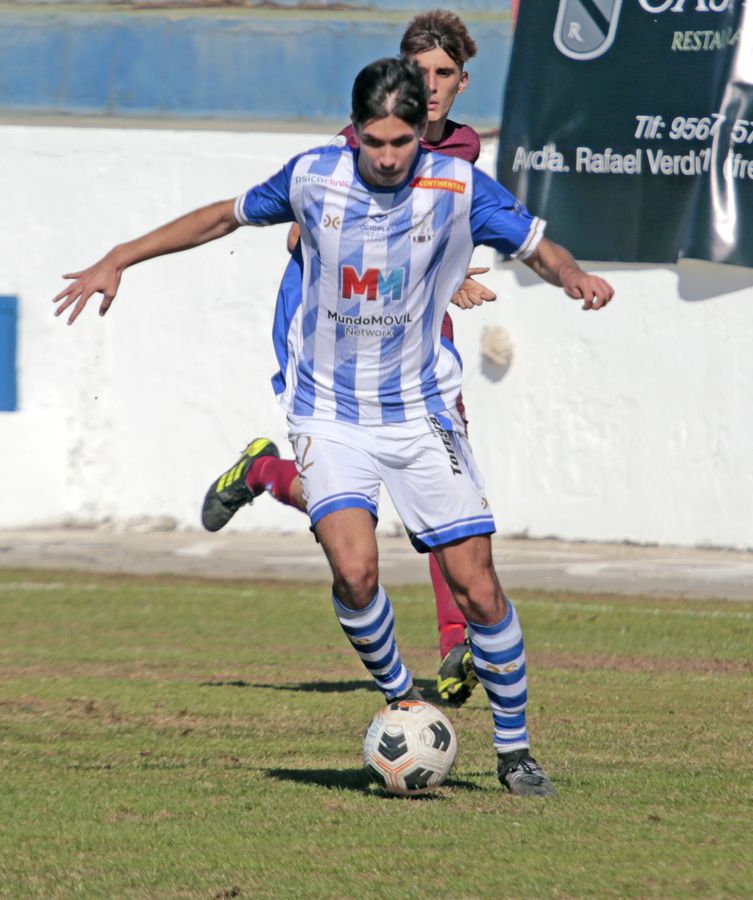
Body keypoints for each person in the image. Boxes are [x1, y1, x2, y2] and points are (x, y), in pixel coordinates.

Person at [53, 57, 614, 797]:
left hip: (419, 410)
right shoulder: (314, 177)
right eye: (373, 142)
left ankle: (516, 751)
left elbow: (538, 244)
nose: (386, 158)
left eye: (401, 142)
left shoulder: (457, 188)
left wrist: (569, 275)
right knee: (354, 570)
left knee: (477, 589)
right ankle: (400, 699)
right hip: (327, 410)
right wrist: (120, 257)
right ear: (354, 134)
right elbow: (223, 215)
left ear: (422, 132)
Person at [197, 10, 490, 711]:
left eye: (443, 73)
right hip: (331, 328)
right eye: (419, 72)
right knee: (346, 496)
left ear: (461, 81)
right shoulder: (357, 145)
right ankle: (267, 470)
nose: (431, 85)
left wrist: (455, 276)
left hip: (410, 328)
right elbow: (313, 228)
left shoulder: (463, 150)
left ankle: (456, 641)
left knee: (449, 469)